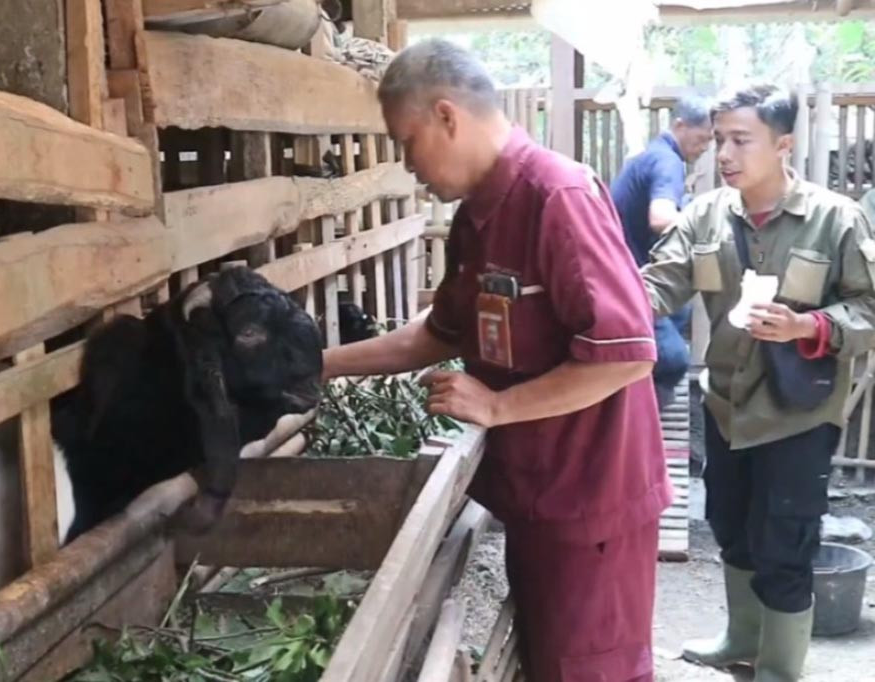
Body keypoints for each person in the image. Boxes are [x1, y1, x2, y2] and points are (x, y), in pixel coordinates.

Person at [322, 39, 671, 682]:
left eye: (407, 140)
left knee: (591, 672)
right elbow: (438, 334)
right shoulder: (476, 219)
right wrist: (320, 364)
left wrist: (497, 405)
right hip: (539, 495)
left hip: (589, 503)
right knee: (549, 665)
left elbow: (626, 355)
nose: (407, 165)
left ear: (448, 116)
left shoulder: (558, 196)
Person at [641, 84, 875, 681]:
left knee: (786, 544)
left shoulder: (835, 219)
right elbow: (656, 285)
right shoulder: (705, 215)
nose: (724, 153)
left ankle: (779, 668)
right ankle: (740, 637)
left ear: (784, 145)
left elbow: (868, 309)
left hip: (798, 413)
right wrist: (601, 299)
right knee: (731, 526)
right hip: (726, 406)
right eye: (720, 139)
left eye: (741, 140)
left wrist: (808, 324)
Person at [610, 95, 714, 407]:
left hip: (628, 269)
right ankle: (644, 417)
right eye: (702, 139)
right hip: (628, 279)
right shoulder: (667, 162)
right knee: (673, 361)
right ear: (679, 126)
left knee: (683, 308)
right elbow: (661, 218)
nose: (706, 148)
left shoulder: (652, 156)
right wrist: (708, 224)